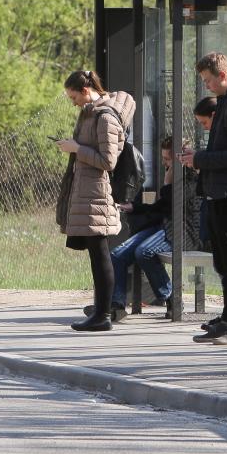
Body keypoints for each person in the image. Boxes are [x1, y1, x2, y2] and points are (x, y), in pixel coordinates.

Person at [179, 52, 227, 345]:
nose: (207, 87)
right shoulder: (225, 105)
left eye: (208, 80)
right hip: (216, 192)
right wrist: (197, 159)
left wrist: (199, 159)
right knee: (223, 262)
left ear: (223, 76)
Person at [55, 70, 134, 332]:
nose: (73, 102)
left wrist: (77, 149)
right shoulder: (91, 113)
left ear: (86, 90)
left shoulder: (105, 116)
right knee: (96, 256)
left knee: (101, 256)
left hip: (97, 194)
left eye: (74, 96)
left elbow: (108, 161)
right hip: (86, 191)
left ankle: (103, 314)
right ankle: (100, 312)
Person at [95, 132, 204, 321]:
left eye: (168, 159)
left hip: (183, 232)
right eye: (163, 158)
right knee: (117, 254)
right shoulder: (174, 175)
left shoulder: (192, 178)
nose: (165, 163)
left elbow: (177, 206)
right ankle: (117, 304)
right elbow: (161, 208)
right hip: (164, 227)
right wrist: (135, 207)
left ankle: (171, 298)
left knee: (144, 251)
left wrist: (168, 181)